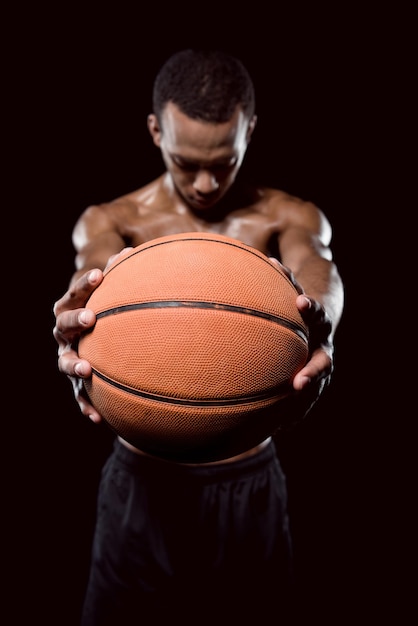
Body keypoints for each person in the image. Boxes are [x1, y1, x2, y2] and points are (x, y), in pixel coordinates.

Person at [53, 49, 344, 625]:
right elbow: (86, 282)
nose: (207, 183)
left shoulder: (288, 217)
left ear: (249, 132)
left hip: (248, 478)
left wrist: (322, 322)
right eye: (186, 163)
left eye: (225, 162)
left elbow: (319, 272)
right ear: (155, 131)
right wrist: (69, 325)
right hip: (141, 482)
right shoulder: (113, 220)